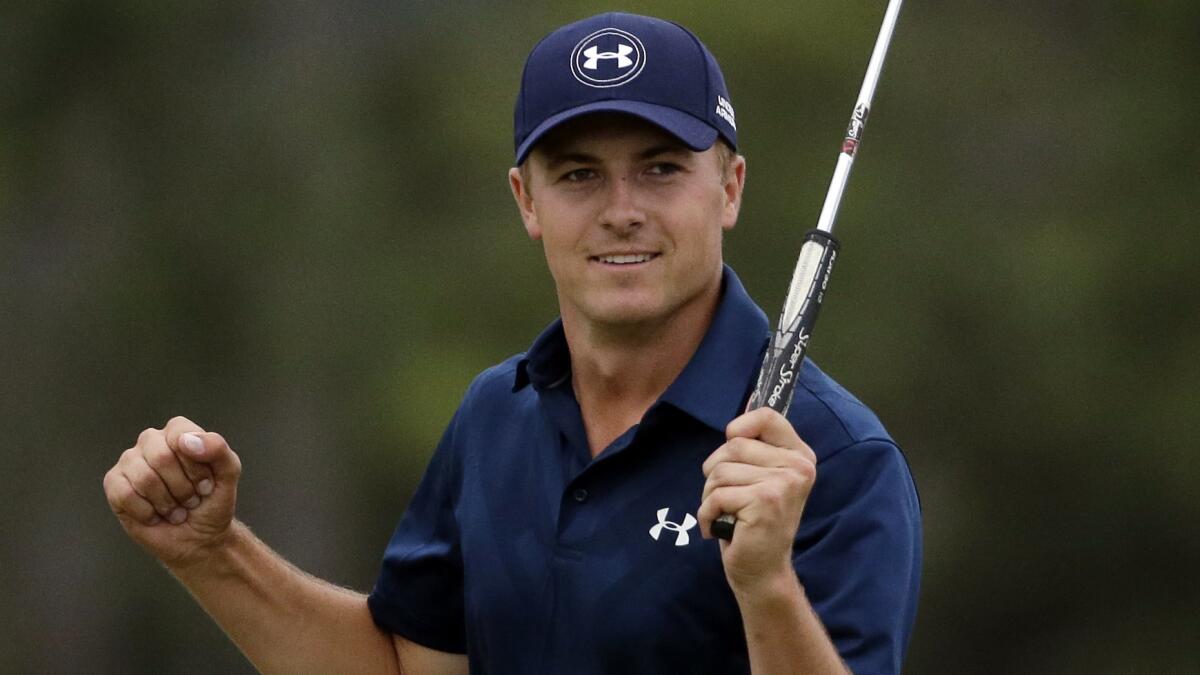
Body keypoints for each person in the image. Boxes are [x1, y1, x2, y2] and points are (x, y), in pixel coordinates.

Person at [102, 12, 920, 675]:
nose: (621, 209)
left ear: (730, 187)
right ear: (527, 201)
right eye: (578, 174)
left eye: (662, 168)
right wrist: (212, 554)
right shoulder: (497, 412)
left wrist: (766, 585)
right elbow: (404, 667)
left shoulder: (835, 459)